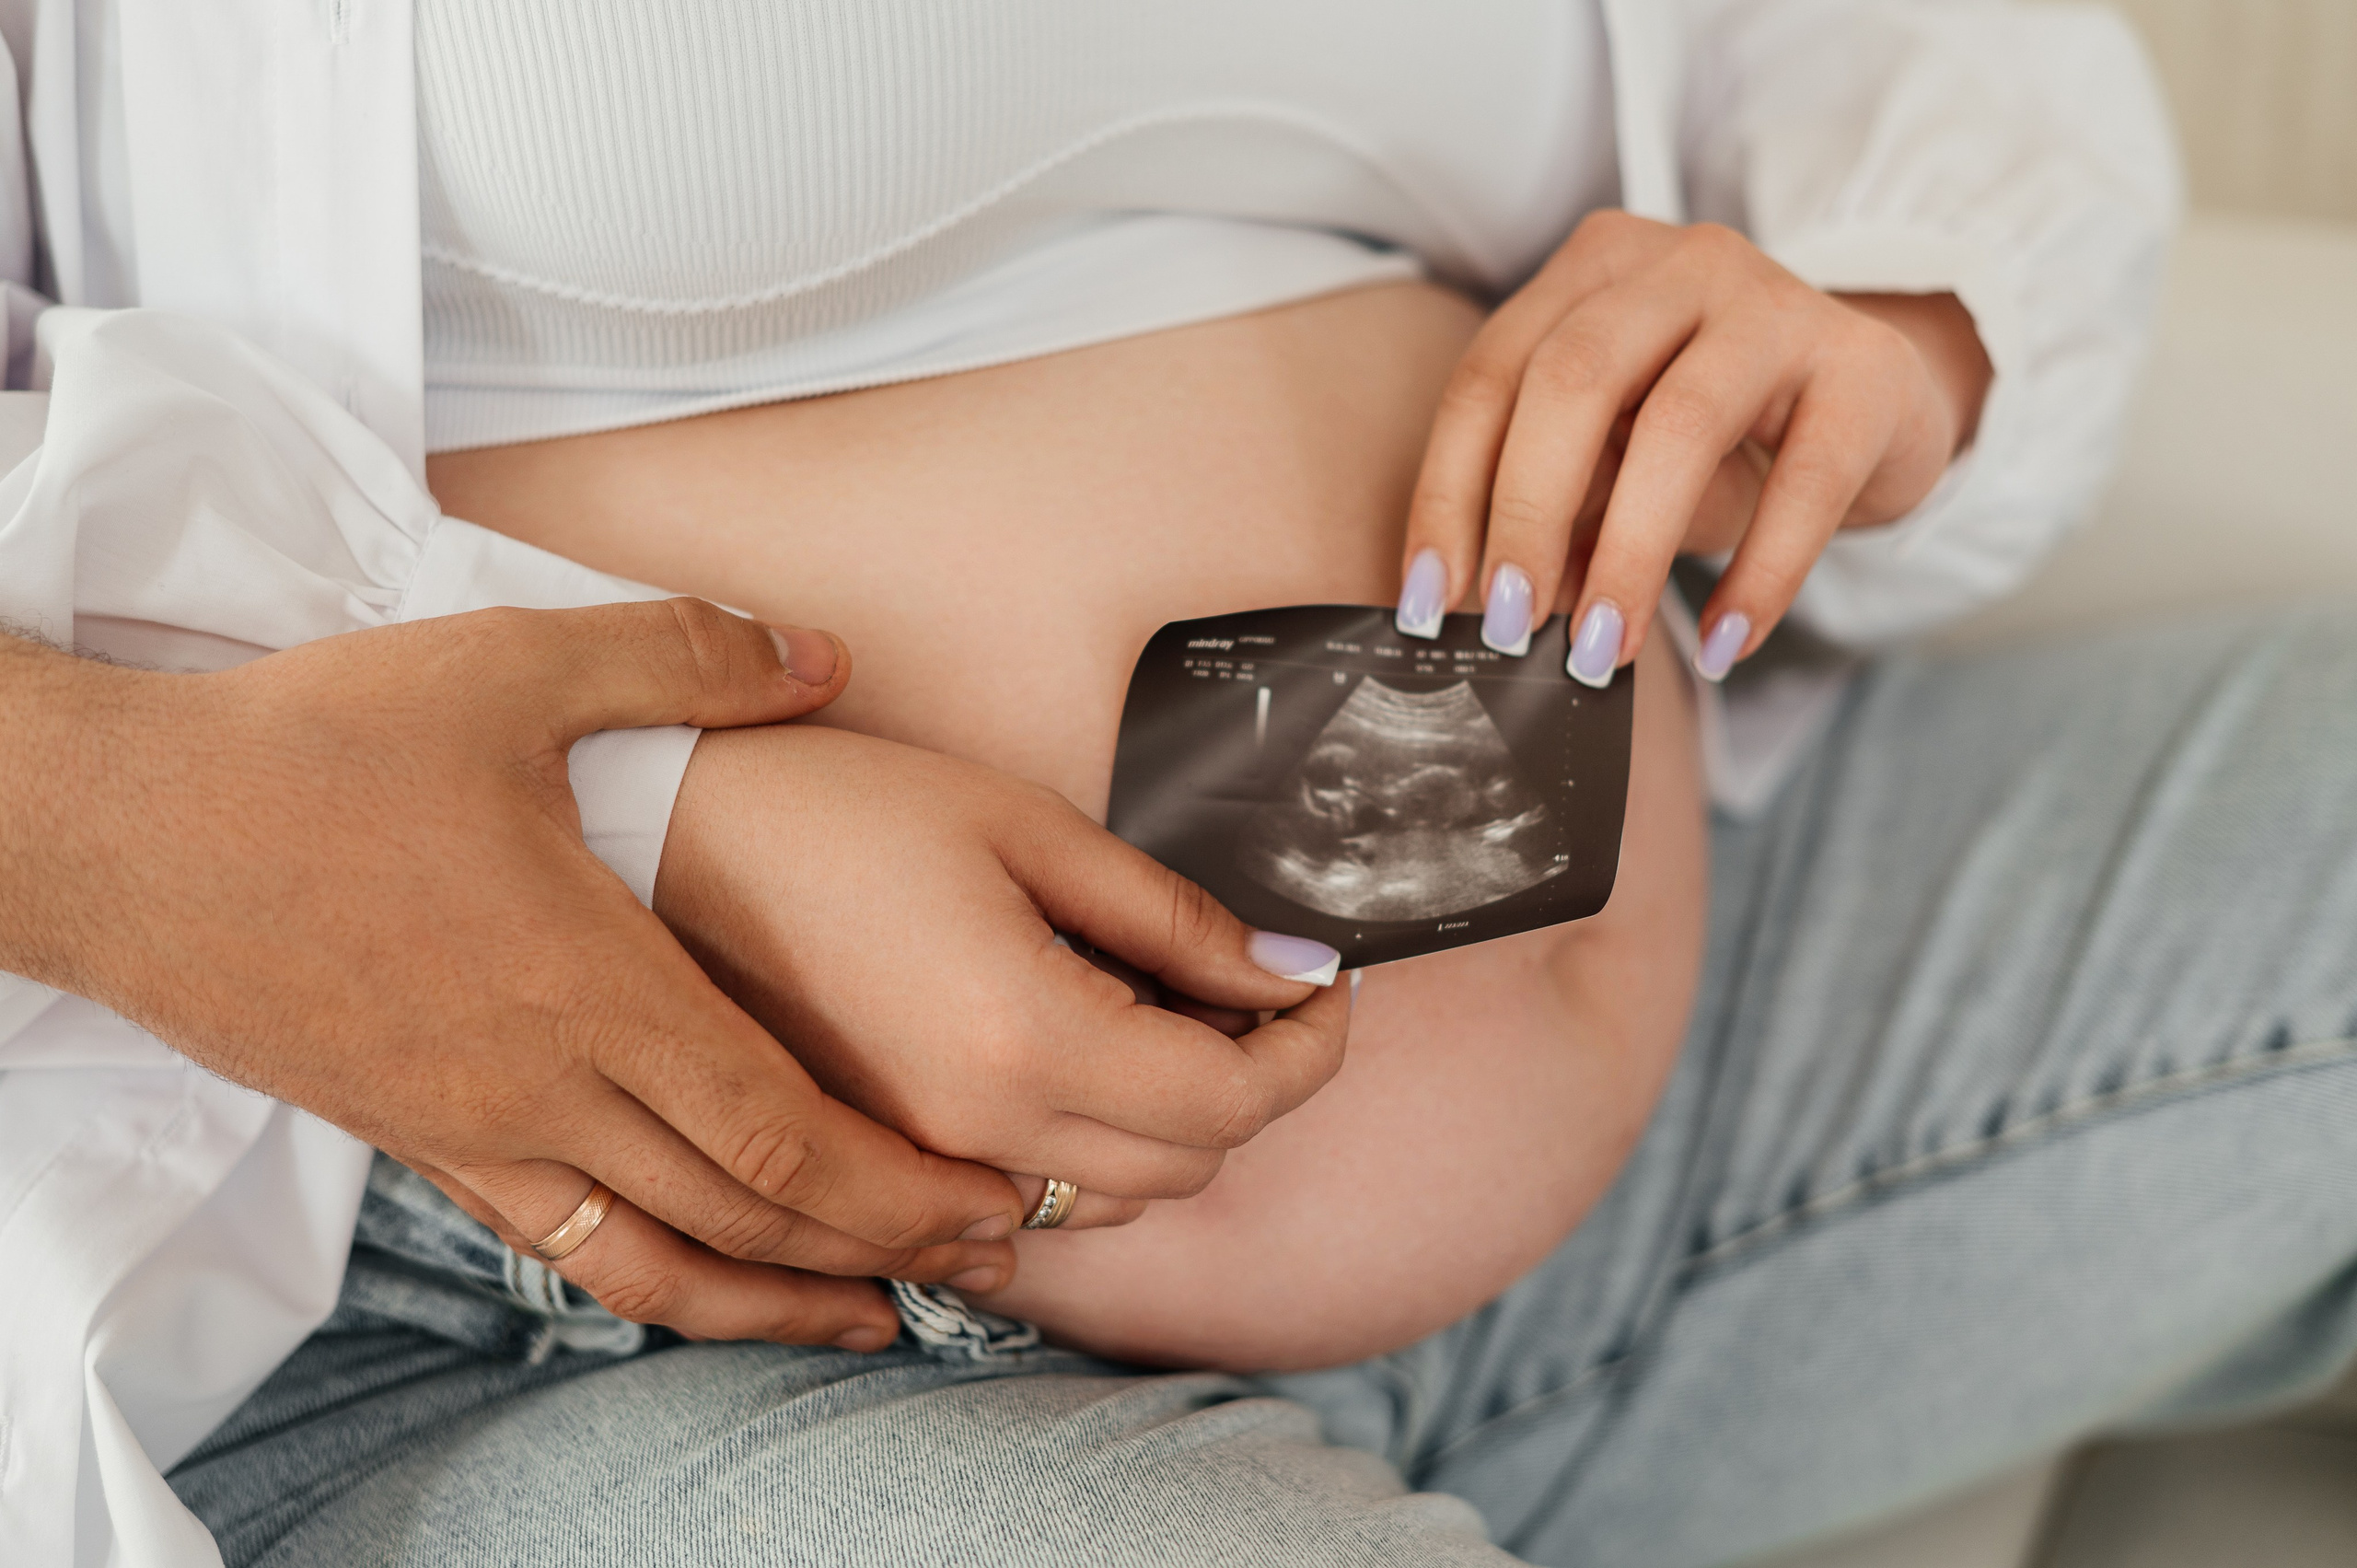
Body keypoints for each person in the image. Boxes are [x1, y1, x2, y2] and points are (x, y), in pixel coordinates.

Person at [25, 6, 2351, 1568]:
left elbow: (1890, 70)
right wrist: (645, 830)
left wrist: (1899, 326)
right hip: (553, 1283)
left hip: (1684, 1079)